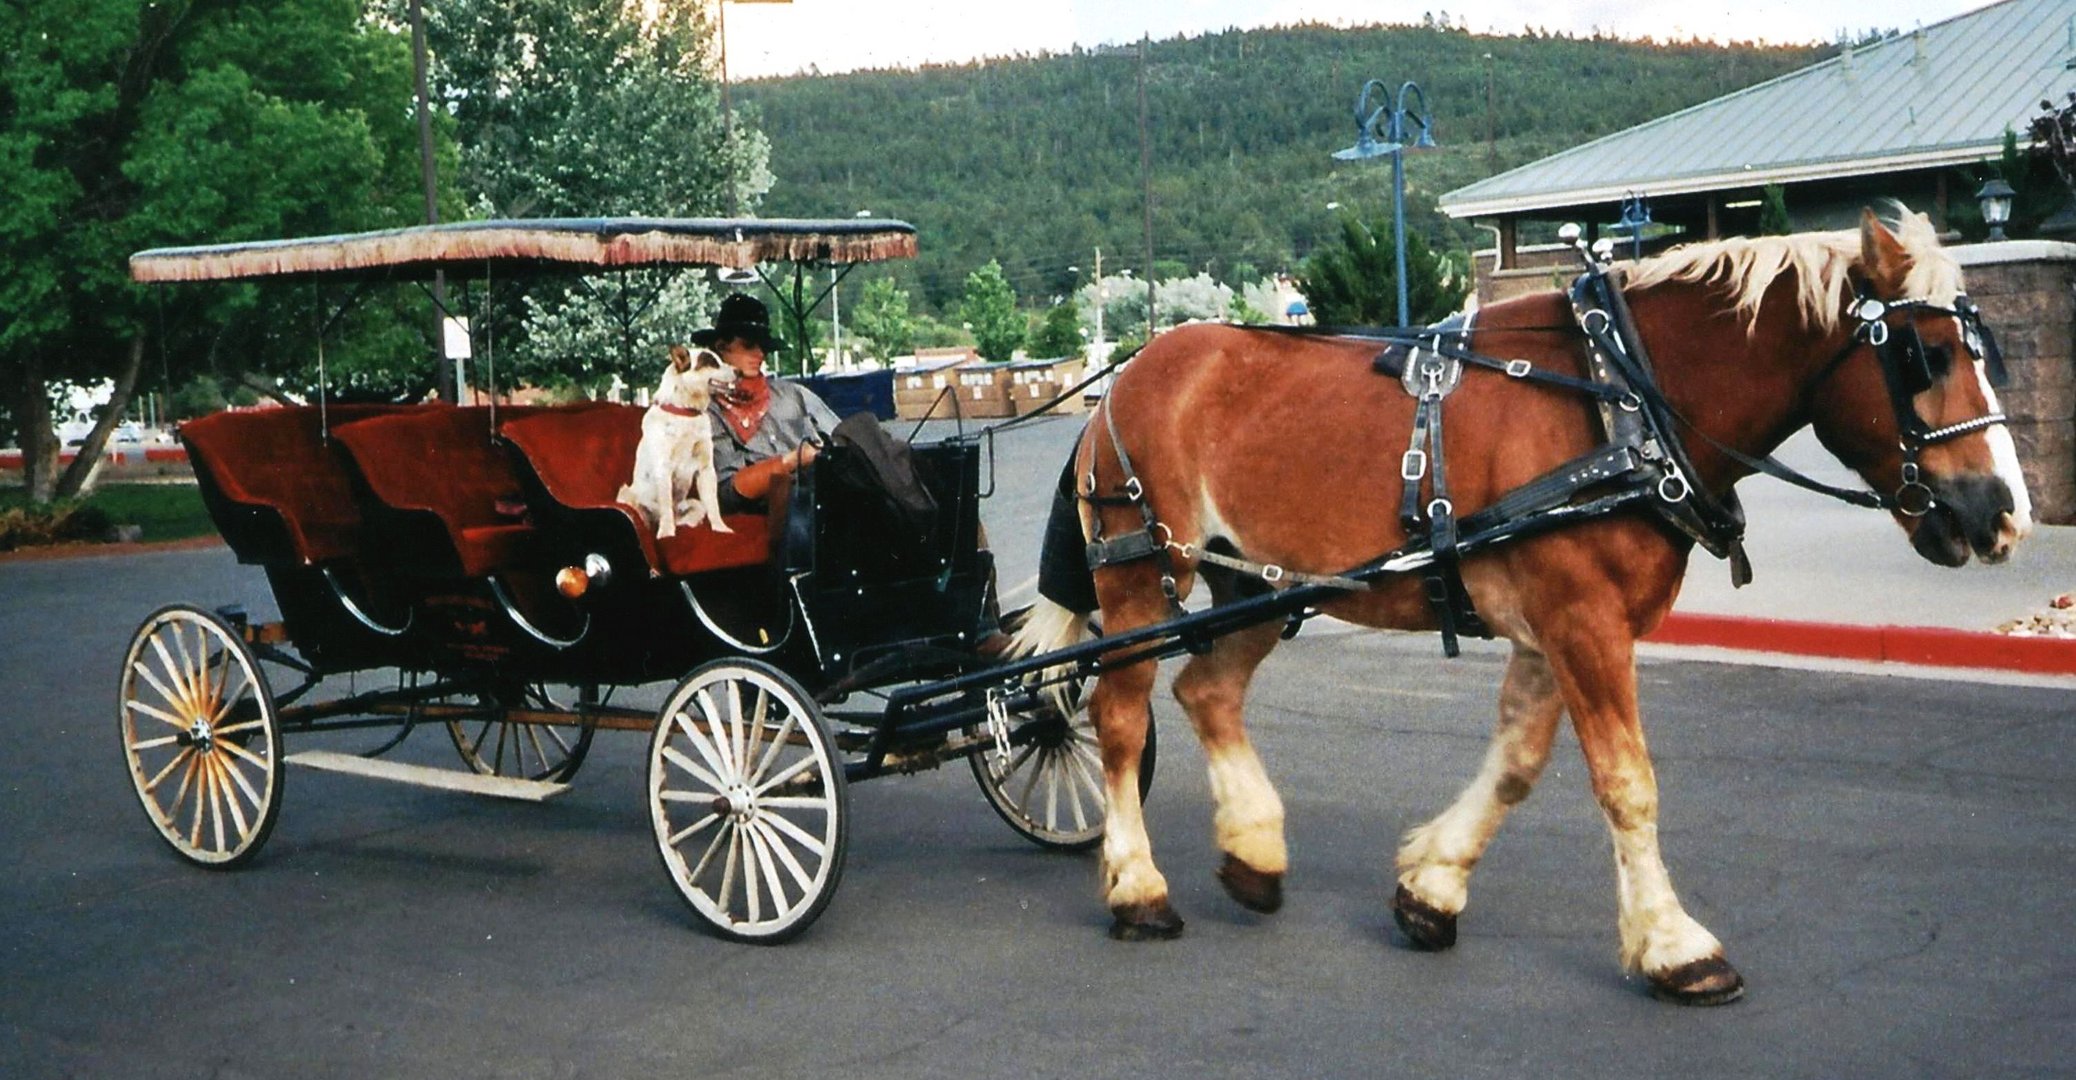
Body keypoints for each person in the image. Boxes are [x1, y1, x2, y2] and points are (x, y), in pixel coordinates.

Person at [692, 293, 839, 514]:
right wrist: (792, 460)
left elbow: (844, 436)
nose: (760, 354)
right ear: (721, 347)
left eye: (763, 346)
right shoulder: (709, 413)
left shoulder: (793, 393)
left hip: (831, 483)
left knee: (866, 432)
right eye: (749, 345)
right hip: (787, 502)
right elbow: (726, 492)